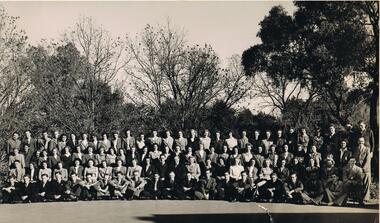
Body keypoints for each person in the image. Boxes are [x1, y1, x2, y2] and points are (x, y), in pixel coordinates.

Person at [353, 137, 371, 202]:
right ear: (358, 142)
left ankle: (365, 198)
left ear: (364, 142)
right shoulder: (355, 149)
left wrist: (364, 168)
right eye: (360, 141)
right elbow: (354, 159)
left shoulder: (367, 149)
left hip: (365, 169)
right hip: (357, 169)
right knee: (359, 184)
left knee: (366, 183)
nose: (361, 143)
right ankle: (359, 198)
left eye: (362, 141)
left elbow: (368, 159)